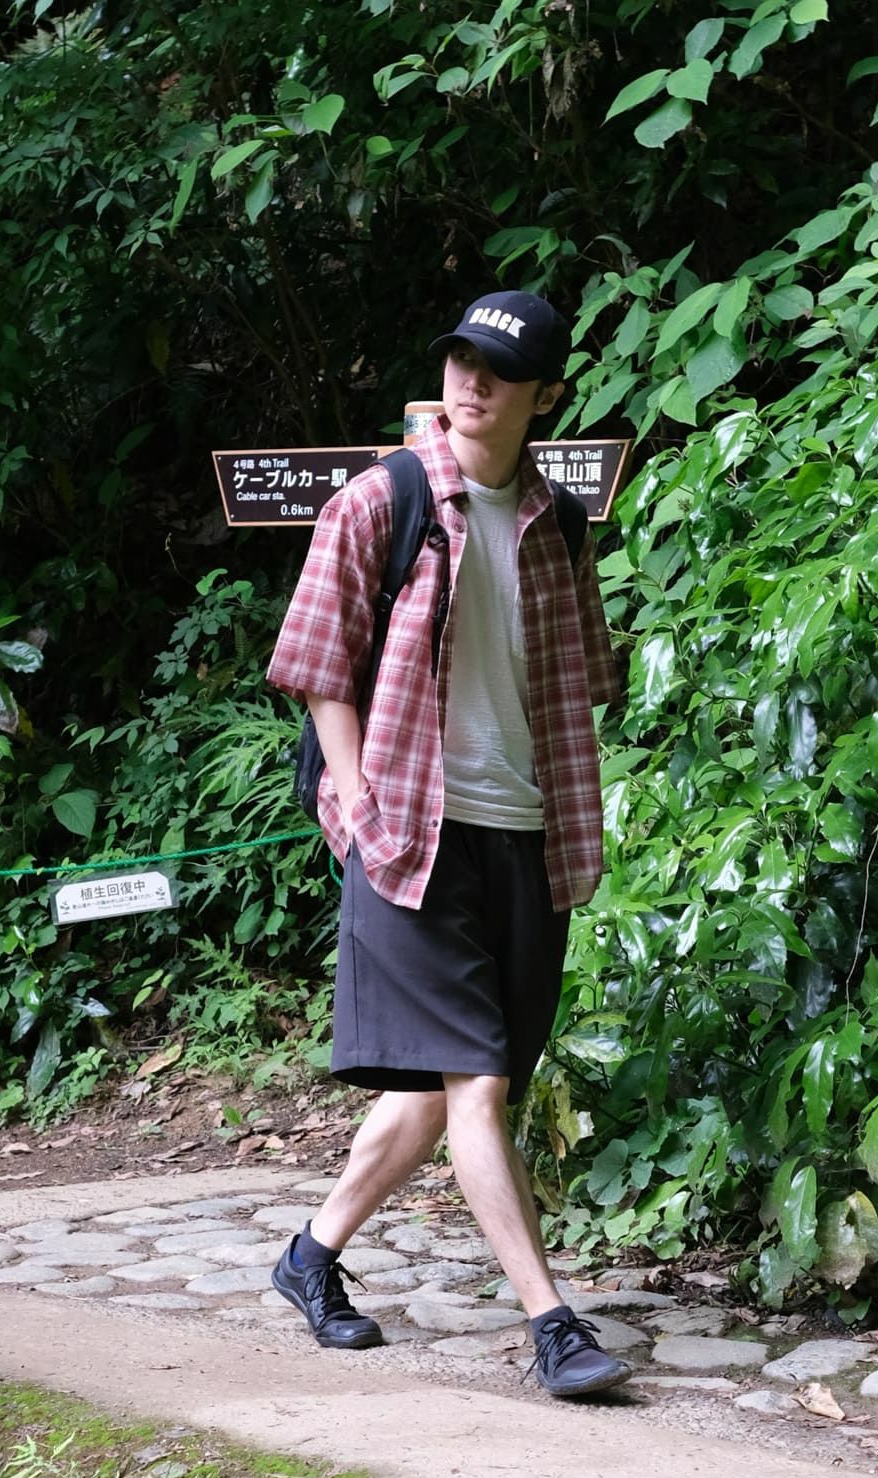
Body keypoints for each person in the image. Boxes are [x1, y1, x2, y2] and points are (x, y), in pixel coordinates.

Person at [265, 289, 629, 1397]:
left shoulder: (561, 526)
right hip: (410, 833)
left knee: (446, 1084)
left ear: (545, 397)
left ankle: (309, 1256)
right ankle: (553, 1324)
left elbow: (582, 681)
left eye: (500, 371)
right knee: (478, 1081)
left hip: (525, 833)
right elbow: (317, 668)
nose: (472, 383)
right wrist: (361, 802)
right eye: (461, 360)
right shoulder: (383, 500)